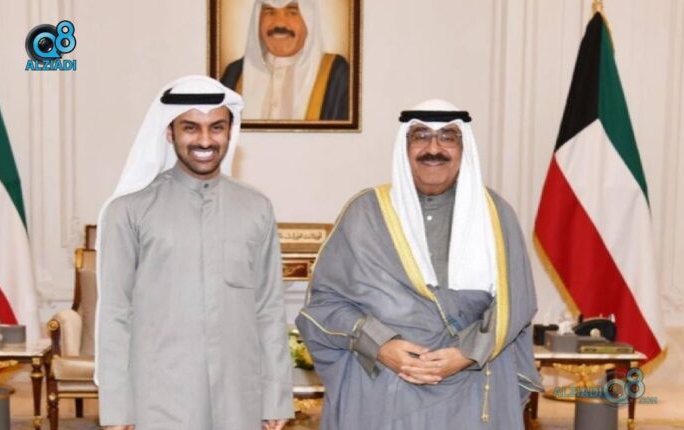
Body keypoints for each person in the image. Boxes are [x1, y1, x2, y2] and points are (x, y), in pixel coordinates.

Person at [295, 99, 543, 429]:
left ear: (464, 147)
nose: (434, 148)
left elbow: (516, 301)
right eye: (421, 136)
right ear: (405, 146)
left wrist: (466, 353)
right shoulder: (366, 212)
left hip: (471, 389)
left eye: (448, 137)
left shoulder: (495, 215)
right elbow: (325, 304)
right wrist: (380, 344)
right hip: (383, 391)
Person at [95, 75, 294, 430]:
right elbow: (114, 313)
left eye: (216, 127)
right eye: (190, 128)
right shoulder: (128, 211)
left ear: (230, 132)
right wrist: (117, 408)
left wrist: (276, 395)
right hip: (158, 400)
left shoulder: (256, 207)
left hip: (239, 397)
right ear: (169, 133)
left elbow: (269, 308)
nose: (205, 140)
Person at [220, 0, 349, 121]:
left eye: (292, 12)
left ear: (309, 19)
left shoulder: (336, 73)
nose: (279, 23)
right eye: (269, 12)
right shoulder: (235, 74)